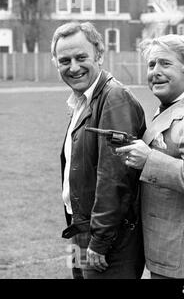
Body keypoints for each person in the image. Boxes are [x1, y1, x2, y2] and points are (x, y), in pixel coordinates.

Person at [116, 34, 184, 279]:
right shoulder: (171, 107)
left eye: (165, 64)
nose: (155, 71)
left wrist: (149, 160)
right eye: (151, 65)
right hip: (170, 250)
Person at [53, 22, 146, 279]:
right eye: (64, 60)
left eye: (81, 57)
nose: (73, 67)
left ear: (100, 55)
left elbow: (115, 176)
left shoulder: (114, 98)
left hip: (106, 238)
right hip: (80, 229)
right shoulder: (82, 100)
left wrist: (100, 241)